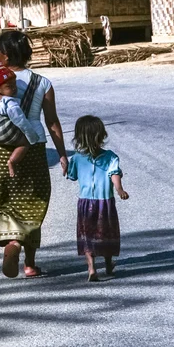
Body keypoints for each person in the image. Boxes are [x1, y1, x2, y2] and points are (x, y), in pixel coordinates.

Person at [0, 30, 68, 279]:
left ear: (4, 56)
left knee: (8, 201)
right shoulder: (43, 83)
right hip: (34, 147)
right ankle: (29, 263)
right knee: (33, 201)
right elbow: (52, 122)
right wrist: (62, 154)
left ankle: (11, 243)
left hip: (1, 150)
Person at [67, 115, 129, 282]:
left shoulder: (77, 158)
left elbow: (71, 176)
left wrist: (66, 166)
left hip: (85, 203)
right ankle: (108, 264)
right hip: (105, 203)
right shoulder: (110, 157)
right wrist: (119, 189)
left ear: (79, 138)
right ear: (101, 136)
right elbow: (114, 173)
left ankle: (91, 267)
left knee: (87, 235)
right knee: (106, 234)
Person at [0, 61, 39, 177]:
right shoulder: (10, 103)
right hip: (6, 134)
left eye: (14, 85)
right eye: (9, 87)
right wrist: (32, 137)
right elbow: (21, 121)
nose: (14, 89)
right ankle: (12, 161)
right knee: (24, 144)